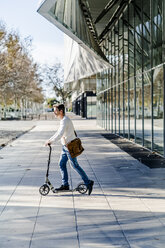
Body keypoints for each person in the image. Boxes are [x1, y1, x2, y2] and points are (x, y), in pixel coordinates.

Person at [45, 104, 94, 195]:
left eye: (55, 110)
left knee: (75, 165)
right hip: (65, 147)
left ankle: (88, 182)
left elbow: (60, 134)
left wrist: (51, 142)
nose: (54, 112)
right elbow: (58, 133)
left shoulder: (65, 121)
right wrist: (49, 140)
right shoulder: (63, 120)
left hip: (69, 147)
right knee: (61, 164)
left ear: (61, 111)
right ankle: (65, 184)